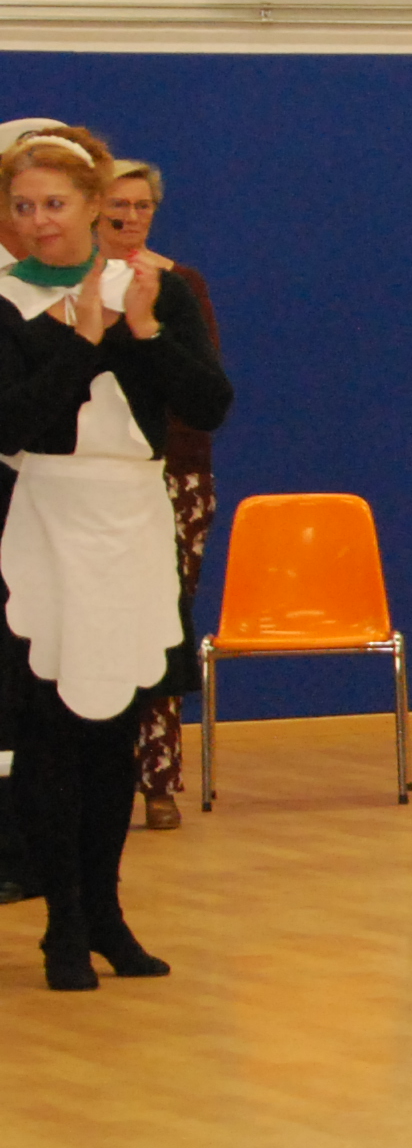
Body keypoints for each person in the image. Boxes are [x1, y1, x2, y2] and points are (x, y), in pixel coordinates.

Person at [0, 128, 232, 986]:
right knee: (50, 731)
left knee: (117, 730)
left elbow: (208, 404)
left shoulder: (156, 289)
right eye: (23, 206)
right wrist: (81, 340)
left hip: (132, 520)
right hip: (45, 521)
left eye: (56, 204)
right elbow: (13, 422)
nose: (40, 221)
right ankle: (62, 922)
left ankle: (106, 911)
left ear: (95, 207)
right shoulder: (5, 299)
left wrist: (141, 330)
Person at [98, 159, 217, 830]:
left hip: (174, 474)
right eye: (117, 205)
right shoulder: (65, 286)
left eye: (142, 205)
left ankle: (159, 780)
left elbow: (203, 390)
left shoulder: (178, 285)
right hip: (90, 481)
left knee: (162, 629)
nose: (130, 217)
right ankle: (95, 776)